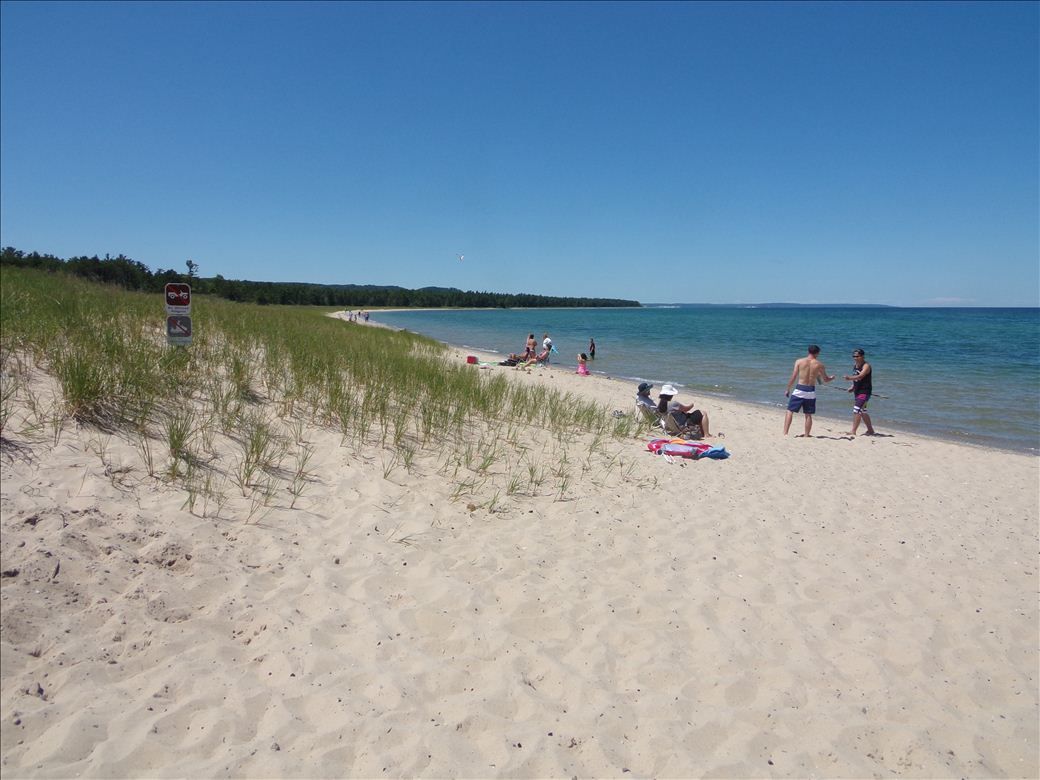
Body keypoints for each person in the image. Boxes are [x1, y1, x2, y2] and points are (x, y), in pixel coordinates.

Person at [784, 344, 835, 436]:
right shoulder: (819, 364)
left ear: (808, 351)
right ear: (817, 353)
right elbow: (826, 379)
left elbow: (794, 376)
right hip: (810, 391)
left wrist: (788, 389)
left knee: (790, 411)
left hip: (800, 389)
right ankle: (807, 435)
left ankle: (785, 433)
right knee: (808, 414)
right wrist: (832, 378)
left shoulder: (799, 361)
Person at [843, 348, 876, 436]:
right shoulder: (855, 365)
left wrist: (849, 378)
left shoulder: (866, 366)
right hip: (857, 391)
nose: (855, 358)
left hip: (864, 392)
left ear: (862, 356)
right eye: (853, 356)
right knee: (863, 411)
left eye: (857, 356)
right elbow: (856, 378)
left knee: (857, 410)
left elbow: (860, 376)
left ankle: (853, 431)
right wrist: (852, 387)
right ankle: (871, 430)